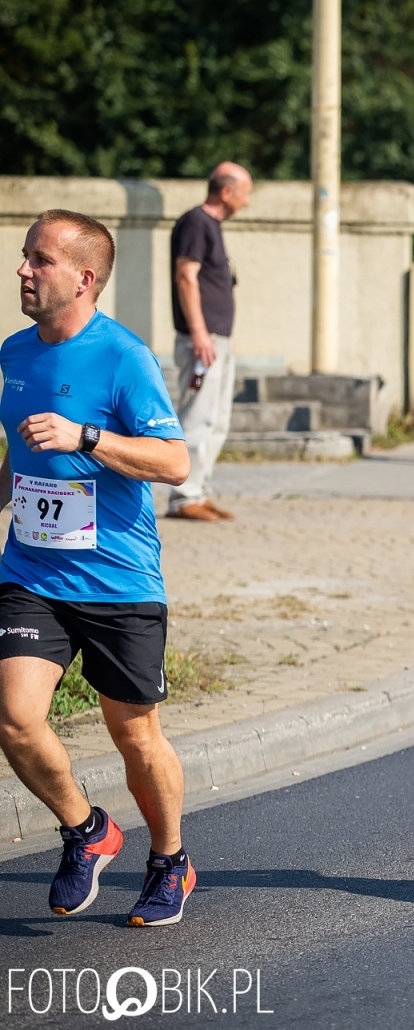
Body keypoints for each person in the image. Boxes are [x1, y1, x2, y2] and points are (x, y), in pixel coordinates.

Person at [1, 210, 196, 926]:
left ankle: (170, 861)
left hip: (118, 580)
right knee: (15, 720)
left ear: (84, 278)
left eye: (39, 261)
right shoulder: (14, 355)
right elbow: (18, 457)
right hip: (33, 574)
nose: (23, 270)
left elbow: (176, 462)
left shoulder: (124, 357)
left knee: (134, 734)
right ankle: (88, 832)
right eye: (24, 257)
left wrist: (87, 435)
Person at [167, 161, 251, 522]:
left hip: (217, 340)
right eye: (245, 194)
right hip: (202, 340)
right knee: (197, 417)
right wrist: (200, 332)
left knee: (216, 420)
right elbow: (186, 276)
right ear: (227, 191)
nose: (247, 203)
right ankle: (183, 497)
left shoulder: (211, 226)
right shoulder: (196, 223)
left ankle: (199, 491)